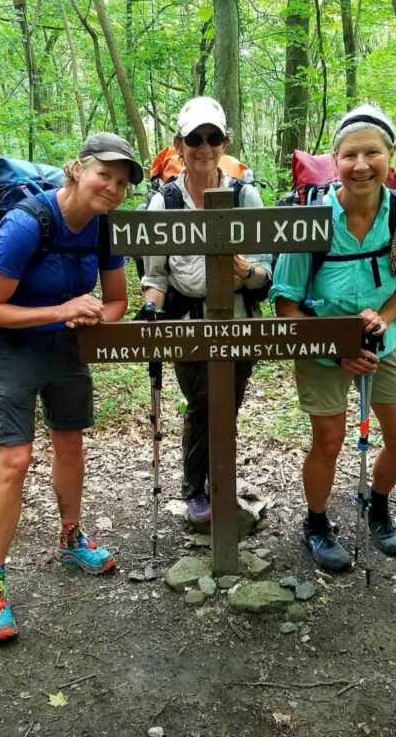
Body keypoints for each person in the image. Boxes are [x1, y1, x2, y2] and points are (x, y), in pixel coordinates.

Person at [0, 133, 143, 642]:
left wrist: (90, 316)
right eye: (103, 176)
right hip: (10, 350)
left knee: (70, 442)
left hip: (66, 349)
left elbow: (115, 301)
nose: (111, 188)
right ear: (76, 170)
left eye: (121, 183)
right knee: (15, 460)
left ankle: (71, 537)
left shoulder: (102, 229)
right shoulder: (27, 223)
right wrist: (62, 310)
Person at [271, 104, 396, 572]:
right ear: (335, 160)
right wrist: (337, 352)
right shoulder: (313, 218)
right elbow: (285, 304)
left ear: (390, 155)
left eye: (372, 153)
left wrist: (381, 317)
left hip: (384, 340)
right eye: (350, 155)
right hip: (320, 347)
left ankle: (376, 505)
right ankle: (316, 523)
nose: (361, 165)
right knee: (330, 440)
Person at [140, 96, 273, 524]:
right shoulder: (165, 204)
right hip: (187, 321)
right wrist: (149, 312)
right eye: (194, 138)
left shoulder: (244, 195)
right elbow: (156, 277)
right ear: (179, 144)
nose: (204, 146)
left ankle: (220, 484)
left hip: (237, 318)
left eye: (212, 137)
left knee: (227, 403)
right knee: (203, 400)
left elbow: (267, 271)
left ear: (224, 142)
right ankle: (197, 488)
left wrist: (245, 269)